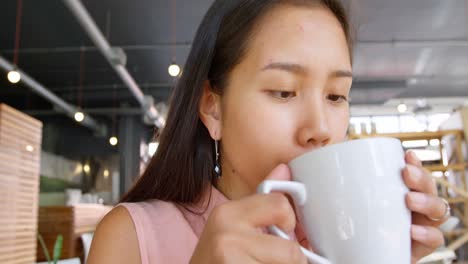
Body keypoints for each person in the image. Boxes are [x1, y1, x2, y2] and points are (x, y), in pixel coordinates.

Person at [88, 1, 447, 263]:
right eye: (284, 91)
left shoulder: (343, 242)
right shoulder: (132, 238)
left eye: (336, 96)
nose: (320, 129)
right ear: (213, 108)